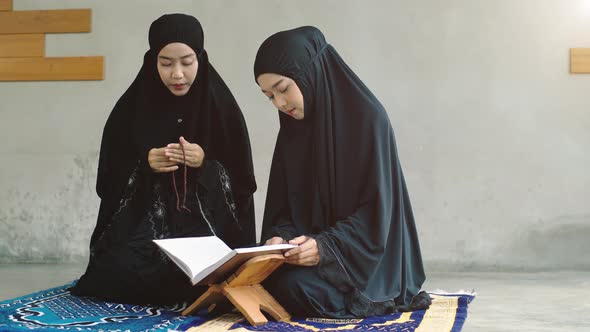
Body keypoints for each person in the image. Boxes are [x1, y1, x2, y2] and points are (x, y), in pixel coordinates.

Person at [70, 14, 256, 305]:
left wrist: (205, 163)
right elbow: (108, 176)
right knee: (116, 274)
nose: (177, 74)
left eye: (187, 61)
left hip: (206, 230)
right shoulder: (132, 106)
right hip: (148, 230)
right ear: (152, 61)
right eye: (166, 63)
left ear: (201, 58)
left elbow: (243, 180)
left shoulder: (220, 106)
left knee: (216, 276)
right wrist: (144, 163)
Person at [254, 26, 430, 318]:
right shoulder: (293, 129)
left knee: (296, 289)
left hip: (365, 262)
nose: (280, 103)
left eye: (283, 89)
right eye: (269, 96)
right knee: (266, 280)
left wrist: (323, 248)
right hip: (307, 255)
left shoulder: (369, 120)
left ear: (310, 73)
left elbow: (376, 215)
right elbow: (285, 205)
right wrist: (280, 238)